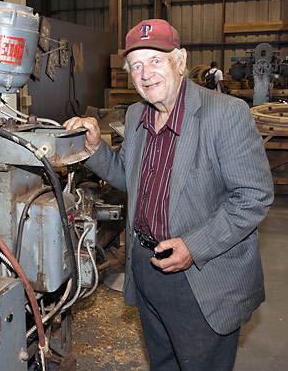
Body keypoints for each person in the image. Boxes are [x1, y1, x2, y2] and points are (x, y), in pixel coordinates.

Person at [64, 19, 273, 371]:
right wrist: (96, 149)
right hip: (147, 269)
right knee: (162, 364)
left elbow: (253, 196)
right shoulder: (135, 116)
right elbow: (131, 179)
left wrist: (195, 245)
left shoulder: (225, 114)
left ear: (180, 61)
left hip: (201, 279)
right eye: (137, 66)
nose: (146, 74)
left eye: (156, 60)